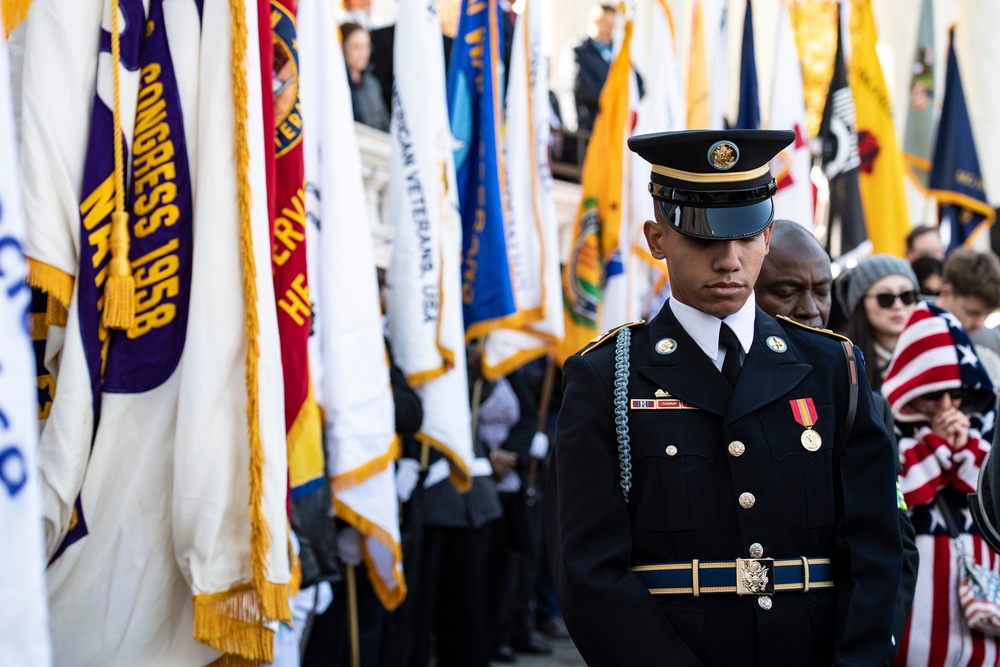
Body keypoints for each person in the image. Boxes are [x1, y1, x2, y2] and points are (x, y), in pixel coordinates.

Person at [545, 129, 903, 665]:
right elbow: (590, 573)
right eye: (704, 238)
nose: (729, 259)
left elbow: (875, 553)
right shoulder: (607, 378)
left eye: (745, 235)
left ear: (766, 237)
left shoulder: (834, 368)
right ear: (657, 237)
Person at [755, 220, 918, 665]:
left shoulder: (859, 402)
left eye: (822, 291)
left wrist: (868, 648)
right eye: (787, 291)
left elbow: (892, 546)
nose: (809, 309)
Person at [882, 301, 999, 666]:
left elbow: (989, 499)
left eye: (957, 394)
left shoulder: (986, 435)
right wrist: (935, 449)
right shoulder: (887, 435)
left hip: (984, 606)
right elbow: (904, 495)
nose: (948, 405)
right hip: (916, 611)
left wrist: (962, 449)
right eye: (934, 395)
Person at [836, 255, 920, 393]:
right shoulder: (841, 362)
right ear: (860, 304)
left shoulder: (937, 353)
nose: (898, 306)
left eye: (907, 296)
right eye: (885, 298)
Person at [341, 22, 390, 132]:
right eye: (356, 47)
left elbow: (385, 123)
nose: (363, 53)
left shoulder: (372, 84)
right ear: (343, 47)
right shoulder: (338, 86)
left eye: (367, 46)